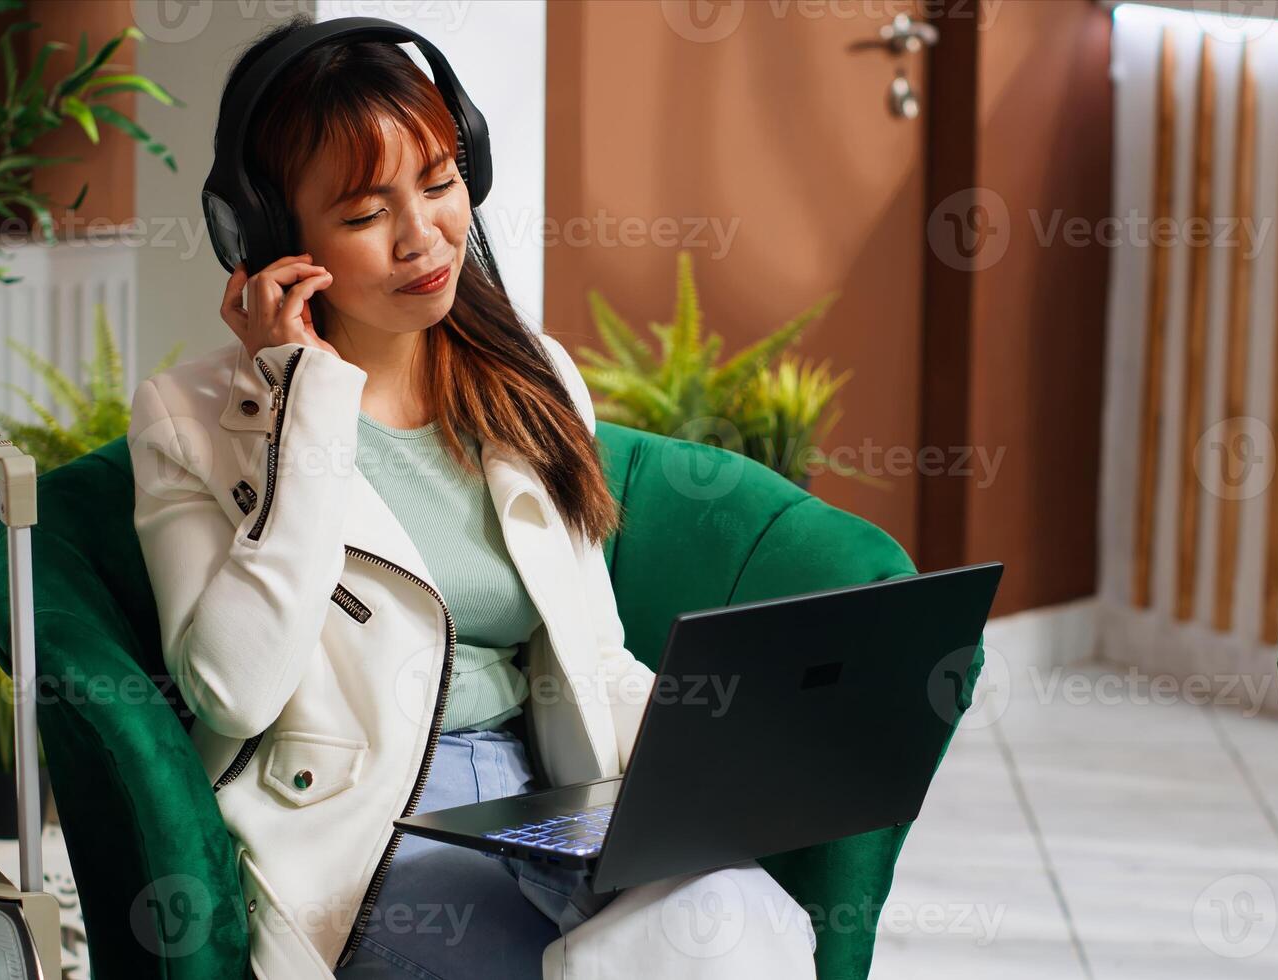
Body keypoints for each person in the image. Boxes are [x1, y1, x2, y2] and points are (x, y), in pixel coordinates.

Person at [127, 16, 816, 980]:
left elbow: (589, 647)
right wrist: (307, 405)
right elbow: (233, 691)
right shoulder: (194, 420)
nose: (424, 238)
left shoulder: (527, 376)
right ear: (273, 238)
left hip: (548, 801)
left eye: (442, 181)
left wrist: (705, 764)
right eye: (366, 216)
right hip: (372, 838)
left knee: (736, 918)